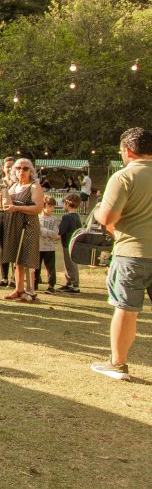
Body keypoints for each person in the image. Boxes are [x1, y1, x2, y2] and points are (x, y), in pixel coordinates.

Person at [91, 128, 152, 380]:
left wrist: (96, 212)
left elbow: (107, 217)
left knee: (126, 308)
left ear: (127, 150)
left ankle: (118, 364)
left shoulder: (123, 177)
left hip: (131, 252)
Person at [1, 158, 44, 303]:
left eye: (25, 168)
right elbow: (5, 205)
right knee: (17, 258)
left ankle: (30, 292)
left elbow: (38, 208)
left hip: (29, 226)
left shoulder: (34, 187)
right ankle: (19, 289)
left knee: (28, 259)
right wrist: (4, 191)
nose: (21, 171)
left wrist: (17, 207)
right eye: (18, 168)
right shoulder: (13, 187)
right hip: (15, 226)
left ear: (31, 171)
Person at [0, 157, 17, 287]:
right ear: (3, 168)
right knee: (3, 247)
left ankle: (15, 278)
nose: (10, 168)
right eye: (7, 166)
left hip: (14, 216)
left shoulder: (19, 183)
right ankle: (4, 278)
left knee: (14, 247)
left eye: (12, 166)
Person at [58, 193, 83, 293]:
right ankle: (69, 282)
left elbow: (60, 231)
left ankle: (74, 285)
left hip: (67, 244)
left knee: (70, 265)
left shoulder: (67, 217)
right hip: (74, 245)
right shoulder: (77, 216)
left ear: (67, 204)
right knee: (69, 264)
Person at [38, 195, 60, 293]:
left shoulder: (54, 219)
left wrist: (45, 232)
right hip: (38, 247)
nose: (52, 208)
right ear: (43, 206)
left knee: (50, 268)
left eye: (53, 206)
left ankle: (51, 286)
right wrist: (48, 232)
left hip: (50, 248)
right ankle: (34, 284)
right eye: (50, 206)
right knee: (36, 266)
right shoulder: (37, 218)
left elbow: (56, 233)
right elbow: (37, 230)